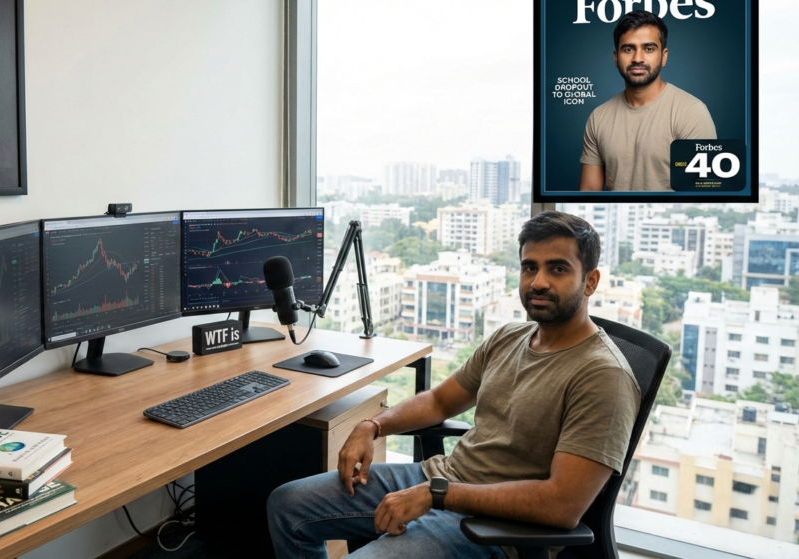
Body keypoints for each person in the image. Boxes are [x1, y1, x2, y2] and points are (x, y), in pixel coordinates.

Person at [267, 211, 641, 558]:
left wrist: (437, 495)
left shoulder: (604, 376)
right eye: (530, 267)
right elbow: (439, 402)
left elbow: (562, 506)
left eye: (557, 269)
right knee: (288, 505)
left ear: (590, 281)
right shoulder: (510, 337)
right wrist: (372, 426)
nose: (538, 282)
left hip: (494, 528)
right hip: (443, 481)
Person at [579, 10, 716, 192]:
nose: (637, 58)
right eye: (628, 49)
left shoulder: (692, 112)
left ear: (664, 56)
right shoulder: (598, 117)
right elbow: (588, 193)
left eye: (648, 48)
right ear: (615, 57)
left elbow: (703, 196)